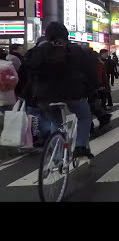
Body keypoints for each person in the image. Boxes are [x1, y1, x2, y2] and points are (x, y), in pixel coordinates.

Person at [25, 22, 98, 159]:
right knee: (84, 116)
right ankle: (80, 147)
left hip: (43, 96)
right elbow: (90, 72)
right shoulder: (75, 50)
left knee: (56, 122)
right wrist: (92, 88)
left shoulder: (38, 50)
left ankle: (57, 157)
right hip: (72, 94)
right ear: (66, 35)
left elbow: (29, 72)